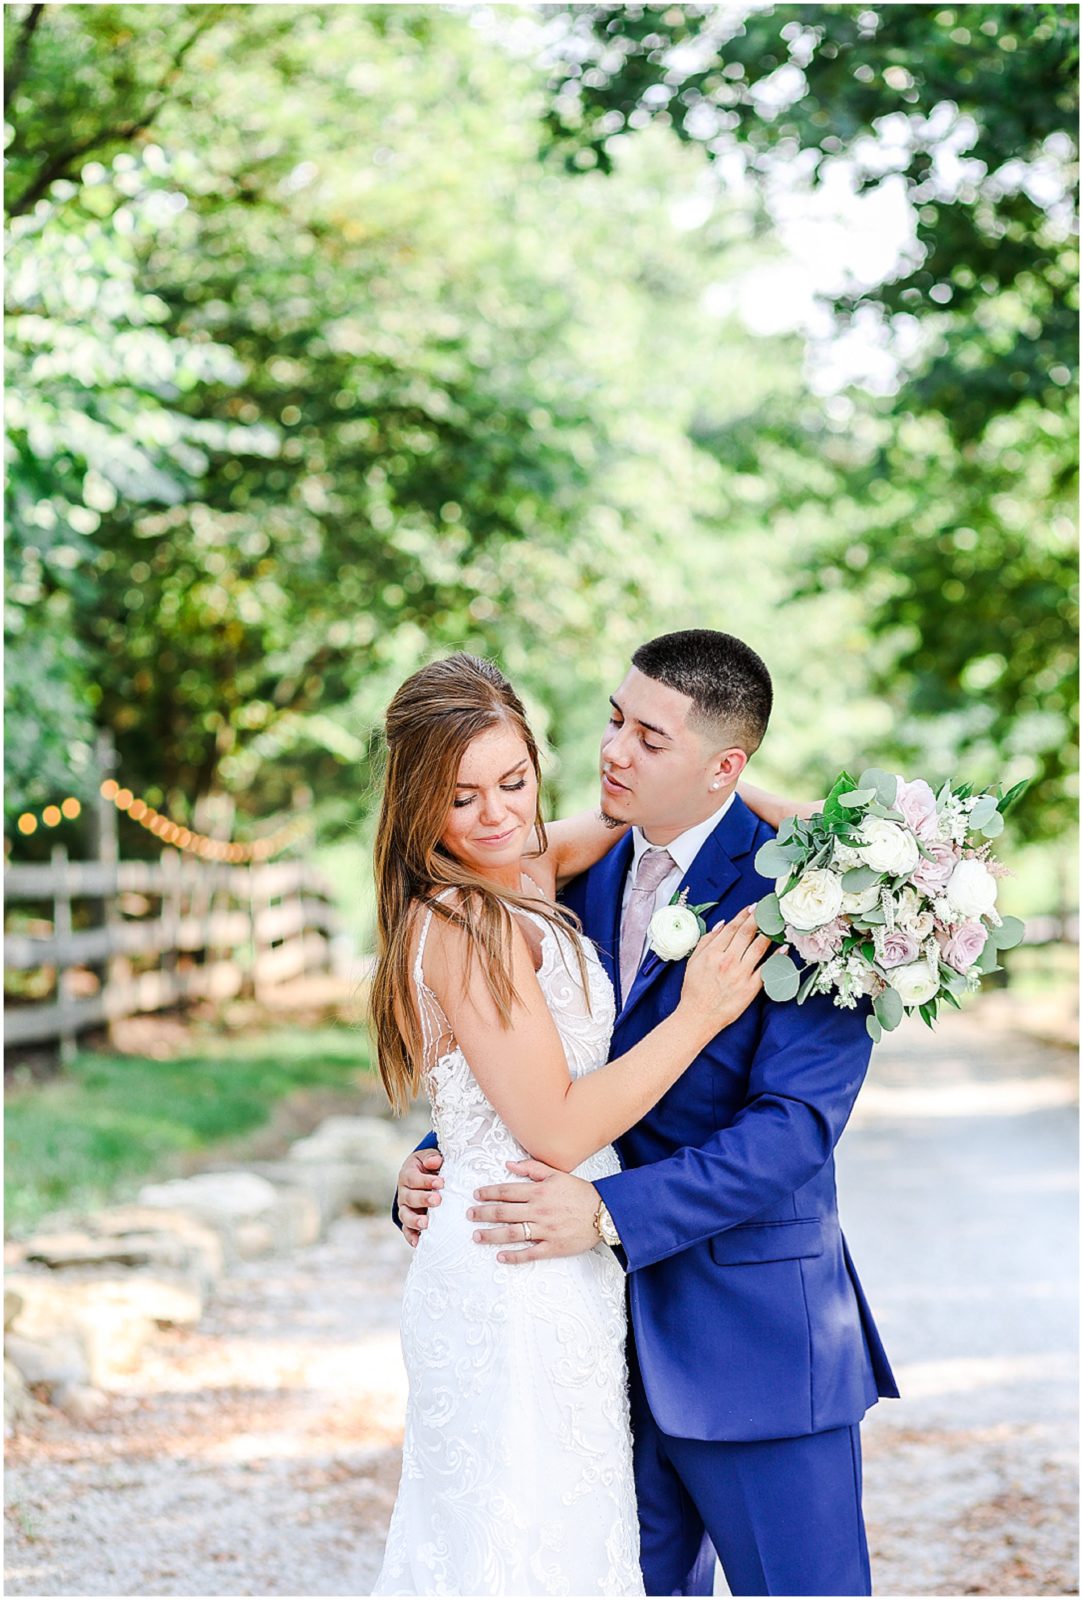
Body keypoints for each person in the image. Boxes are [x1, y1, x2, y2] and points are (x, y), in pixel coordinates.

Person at [396, 629, 899, 1598]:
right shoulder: (555, 874)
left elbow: (794, 1128)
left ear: (725, 765)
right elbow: (528, 1067)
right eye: (614, 720)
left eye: (650, 739)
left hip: (751, 1337)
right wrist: (438, 1158)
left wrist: (609, 1213)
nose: (614, 751)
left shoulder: (819, 900)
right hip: (582, 1344)